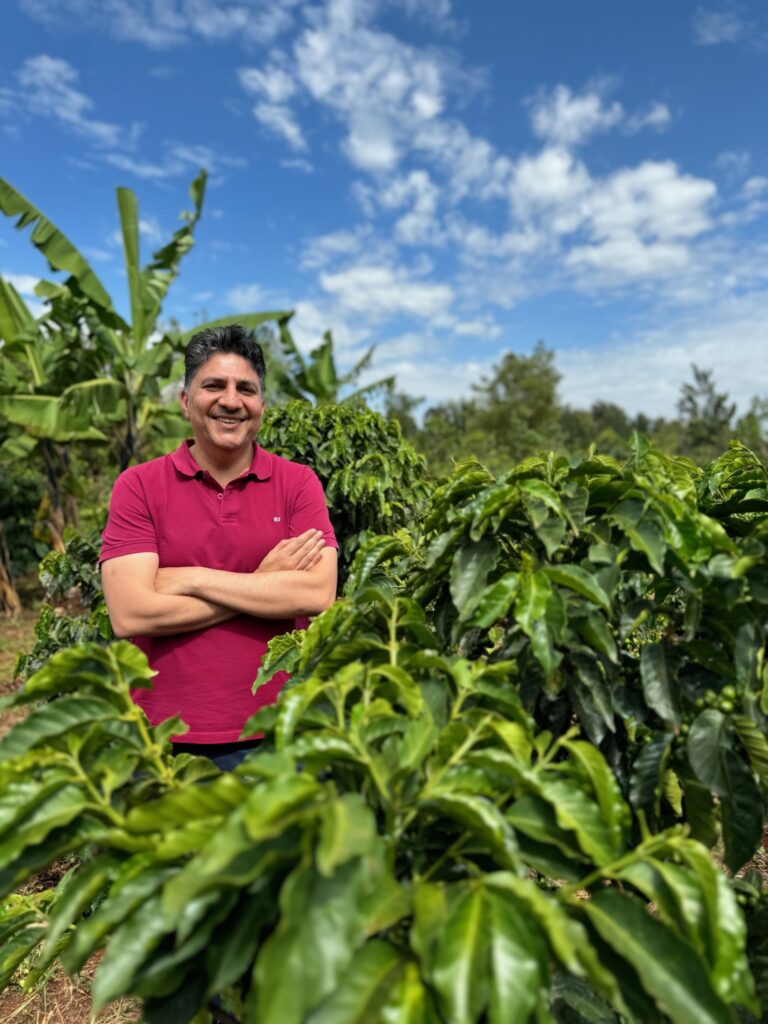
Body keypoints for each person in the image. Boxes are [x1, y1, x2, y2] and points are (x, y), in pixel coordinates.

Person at [100, 323, 338, 769]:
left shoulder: (298, 483)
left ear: (261, 406)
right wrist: (262, 585)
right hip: (161, 738)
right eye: (214, 385)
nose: (231, 400)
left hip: (280, 734)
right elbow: (130, 613)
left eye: (245, 388)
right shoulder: (139, 486)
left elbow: (316, 593)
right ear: (186, 401)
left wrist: (189, 578)